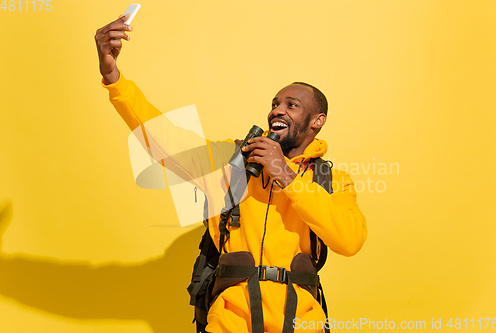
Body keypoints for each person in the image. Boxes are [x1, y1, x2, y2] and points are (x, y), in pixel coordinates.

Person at [95, 14, 367, 333]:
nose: (277, 110)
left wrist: (286, 174)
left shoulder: (331, 180)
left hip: (302, 322)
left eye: (291, 105)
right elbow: (162, 138)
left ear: (316, 121)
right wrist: (113, 77)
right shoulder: (231, 160)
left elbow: (350, 240)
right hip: (229, 322)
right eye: (275, 104)